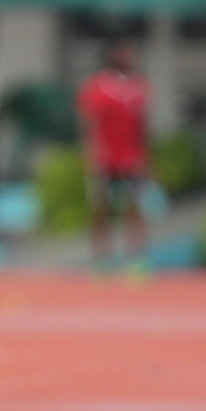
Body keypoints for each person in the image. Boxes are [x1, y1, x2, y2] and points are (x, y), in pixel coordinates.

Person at [78, 40, 151, 269]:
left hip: (131, 156)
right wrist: (91, 155)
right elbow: (89, 123)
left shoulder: (139, 87)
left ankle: (135, 259)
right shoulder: (97, 87)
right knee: (101, 209)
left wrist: (146, 157)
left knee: (134, 207)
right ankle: (101, 259)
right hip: (106, 157)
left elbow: (144, 126)